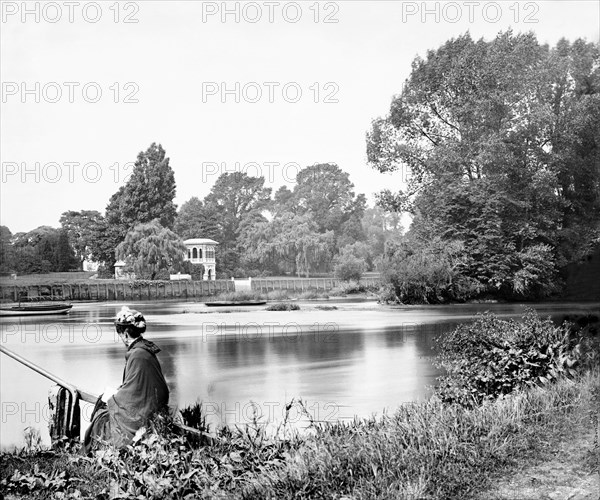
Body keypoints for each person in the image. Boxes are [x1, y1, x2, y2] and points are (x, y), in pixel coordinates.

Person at [83, 307, 169, 453]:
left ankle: (107, 452)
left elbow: (134, 390)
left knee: (101, 418)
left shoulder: (138, 354)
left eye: (120, 333)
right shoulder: (144, 350)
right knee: (105, 405)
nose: (121, 338)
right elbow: (136, 386)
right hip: (151, 402)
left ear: (126, 332)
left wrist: (112, 398)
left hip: (146, 408)